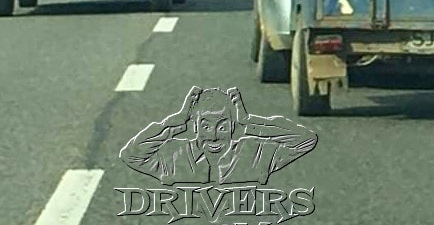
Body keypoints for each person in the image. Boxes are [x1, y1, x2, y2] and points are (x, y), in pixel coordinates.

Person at [120, 86, 317, 186]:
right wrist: (171, 124)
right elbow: (131, 155)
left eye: (222, 128)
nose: (213, 137)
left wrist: (250, 122)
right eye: (205, 127)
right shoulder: (173, 155)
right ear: (195, 127)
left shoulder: (256, 153)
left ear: (233, 127)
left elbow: (305, 140)